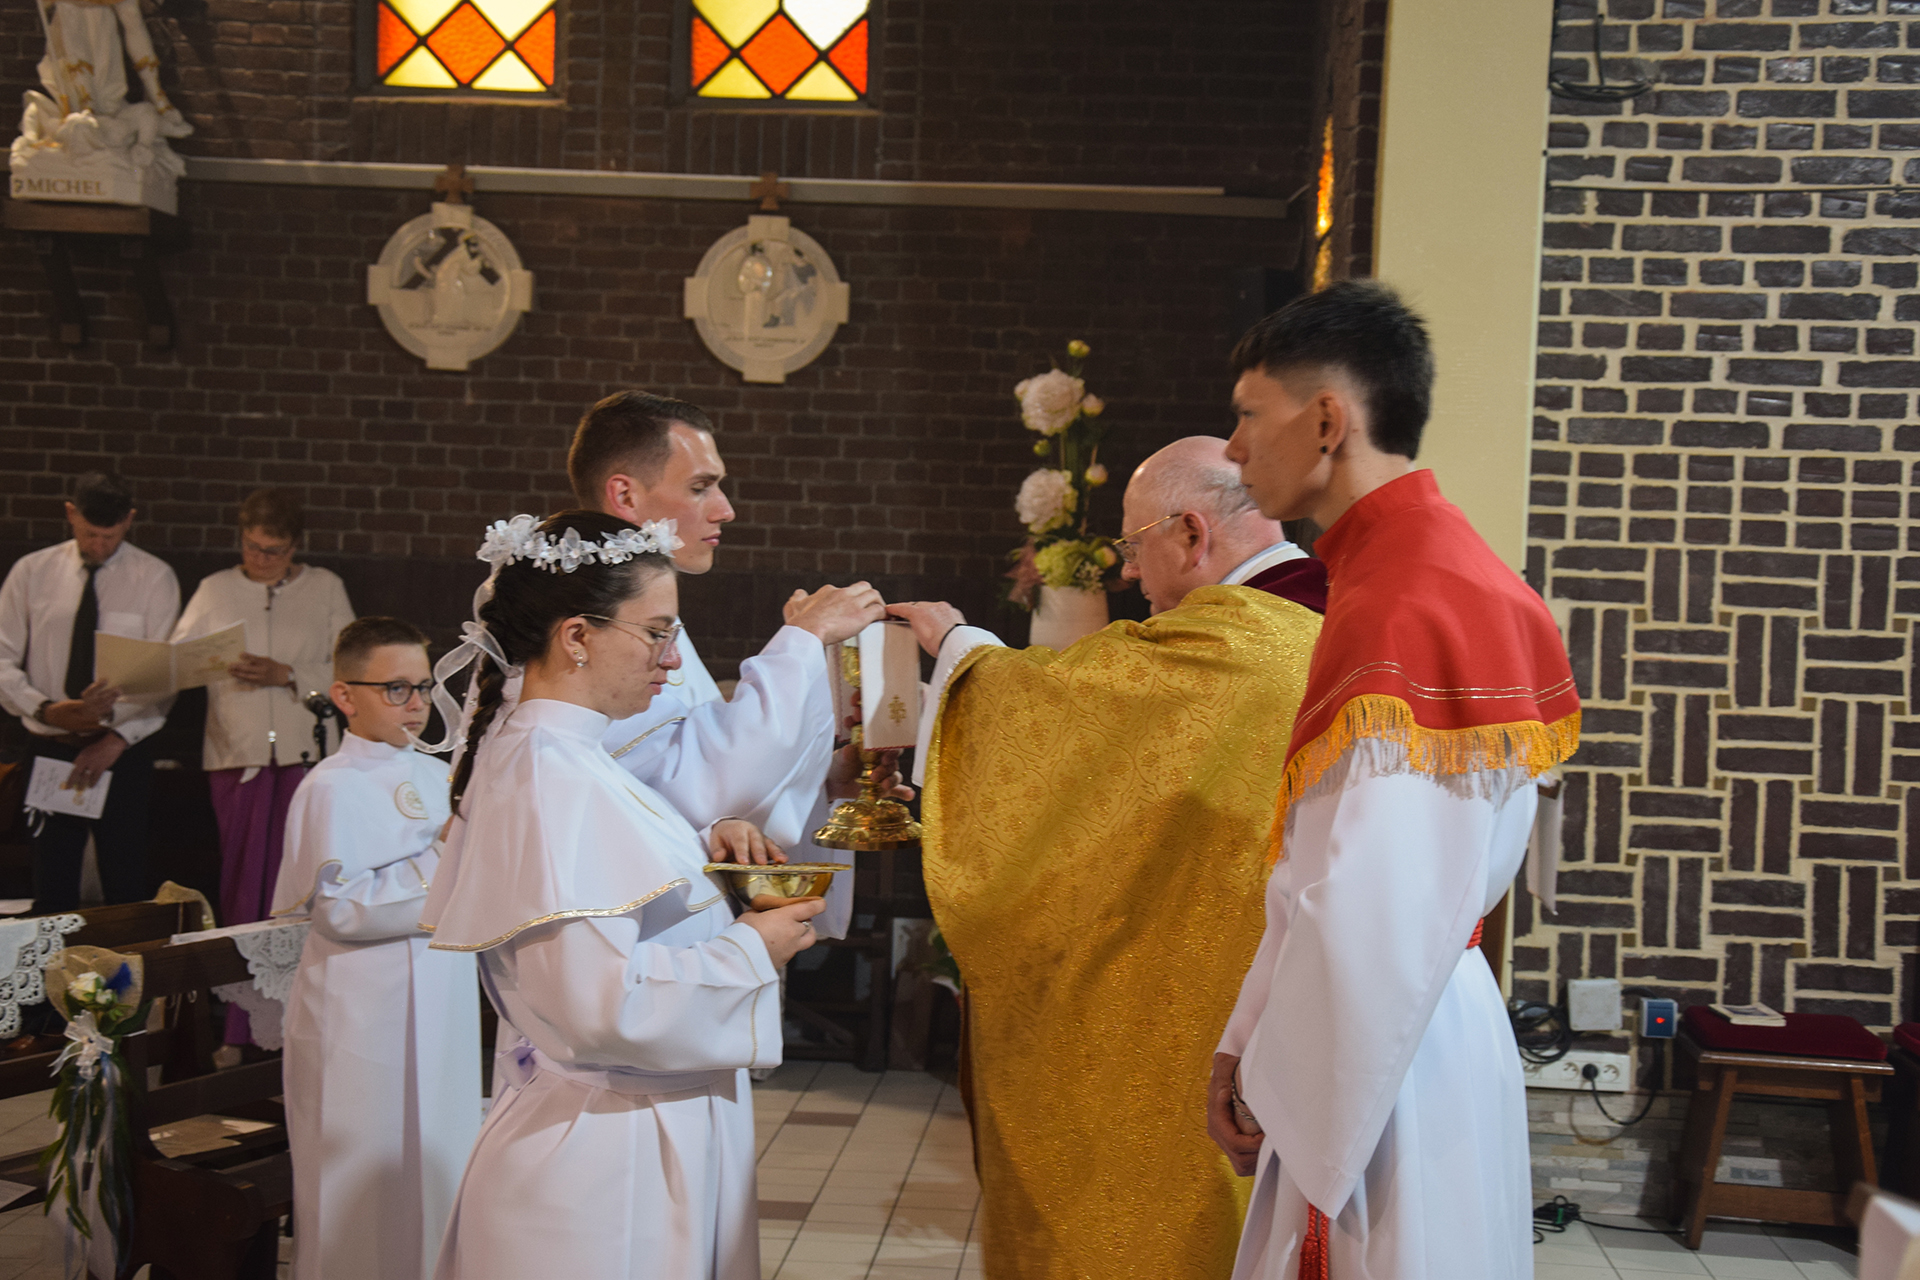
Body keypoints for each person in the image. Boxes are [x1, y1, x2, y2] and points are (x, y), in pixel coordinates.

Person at [884, 436, 1326, 1280]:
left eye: (1132, 544)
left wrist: (959, 648)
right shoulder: (1323, 620)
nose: (1125, 571)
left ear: (1191, 533)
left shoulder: (1242, 641)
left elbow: (1056, 726)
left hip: (1203, 1023)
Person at [1208, 281, 1579, 1280]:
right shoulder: (1436, 571)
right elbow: (1333, 869)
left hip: (1384, 1058)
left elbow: (1370, 909)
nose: (1235, 448)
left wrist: (1271, 1076)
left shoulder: (1400, 604)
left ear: (1328, 421)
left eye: (1249, 415)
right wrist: (1245, 1034)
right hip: (1425, 1026)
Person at [422, 510, 821, 1280]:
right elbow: (598, 1007)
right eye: (656, 633)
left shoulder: (566, 758)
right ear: (577, 636)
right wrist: (752, 948)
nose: (671, 660)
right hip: (606, 1165)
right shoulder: (554, 775)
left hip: (621, 1131)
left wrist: (705, 851)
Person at [568, 391, 897, 938]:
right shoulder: (585, 622)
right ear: (625, 494)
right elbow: (691, 790)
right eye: (700, 487)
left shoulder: (642, 614)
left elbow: (691, 781)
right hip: (621, 937)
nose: (725, 510)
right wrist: (803, 640)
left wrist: (825, 779)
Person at [272, 616, 478, 1280]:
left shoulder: (441, 774)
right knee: (356, 1190)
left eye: (422, 687)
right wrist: (442, 856)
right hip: (358, 1015)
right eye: (395, 689)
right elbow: (339, 909)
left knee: (435, 1173)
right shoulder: (330, 787)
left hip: (440, 1001)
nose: (416, 704)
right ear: (345, 696)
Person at [173, 487, 355, 1046]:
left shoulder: (325, 588)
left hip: (306, 753)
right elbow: (177, 661)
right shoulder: (215, 589)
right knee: (242, 885)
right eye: (251, 547)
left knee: (300, 888)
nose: (260, 559)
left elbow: (350, 666)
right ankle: (239, 1028)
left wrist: (288, 674)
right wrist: (211, 660)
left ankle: (299, 1023)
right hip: (240, 754)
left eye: (273, 550)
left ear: (294, 546)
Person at [0, 472, 179, 911]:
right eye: (89, 534)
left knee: (125, 885)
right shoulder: (32, 572)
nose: (98, 546)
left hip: (122, 750)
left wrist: (114, 739)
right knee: (52, 888)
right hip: (52, 743)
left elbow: (166, 677)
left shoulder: (154, 577)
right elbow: (2, 658)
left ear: (129, 520)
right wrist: (46, 710)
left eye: (109, 536)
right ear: (70, 514)